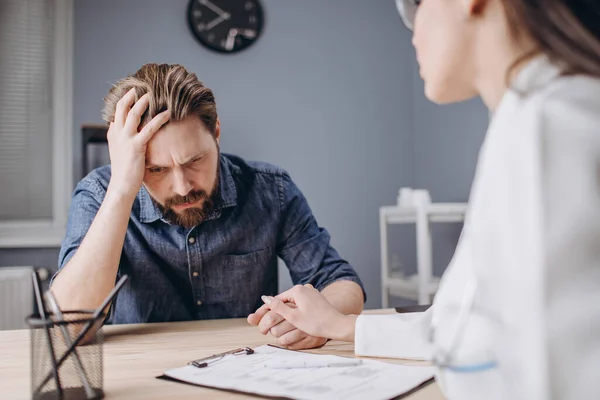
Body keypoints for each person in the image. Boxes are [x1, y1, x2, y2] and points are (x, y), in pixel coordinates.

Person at [257, 0, 600, 398]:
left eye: (411, 9)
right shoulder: (533, 117)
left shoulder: (549, 126)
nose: (413, 33)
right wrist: (339, 326)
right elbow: (464, 329)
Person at [51, 63, 365, 350]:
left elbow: (341, 281)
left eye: (195, 160)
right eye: (156, 169)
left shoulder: (271, 190)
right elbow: (69, 327)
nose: (183, 186)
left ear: (216, 133)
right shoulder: (98, 195)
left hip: (247, 368)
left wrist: (321, 322)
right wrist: (121, 189)